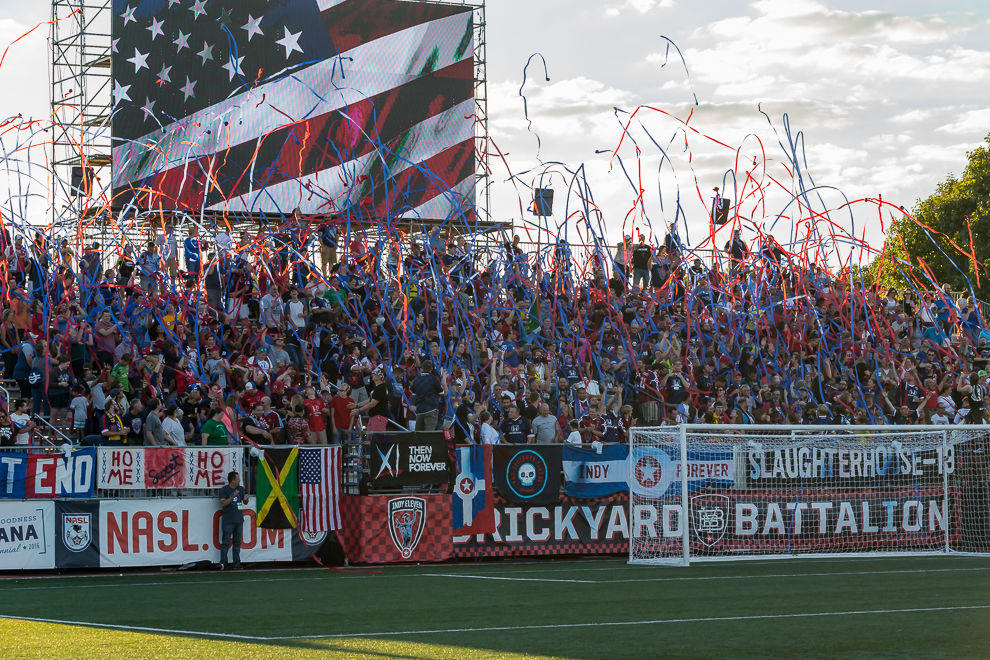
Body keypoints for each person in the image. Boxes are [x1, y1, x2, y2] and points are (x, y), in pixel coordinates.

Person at [218, 471, 246, 570]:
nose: (239, 480)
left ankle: (236, 563)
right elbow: (223, 503)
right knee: (225, 542)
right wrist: (233, 496)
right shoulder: (224, 490)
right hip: (228, 520)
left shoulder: (241, 489)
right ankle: (223, 563)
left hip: (239, 519)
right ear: (233, 480)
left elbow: (245, 502)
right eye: (238, 478)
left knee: (237, 543)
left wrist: (246, 499)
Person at [410, 361, 446, 432]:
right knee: (429, 433)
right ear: (431, 369)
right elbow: (442, 392)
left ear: (422, 368)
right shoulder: (433, 379)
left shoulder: (417, 379)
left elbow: (412, 392)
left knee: (419, 434)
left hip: (420, 411)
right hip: (431, 409)